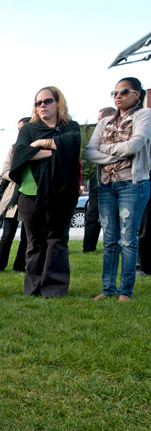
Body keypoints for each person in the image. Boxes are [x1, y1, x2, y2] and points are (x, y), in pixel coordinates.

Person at [10, 86, 81, 298]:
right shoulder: (28, 129)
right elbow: (20, 154)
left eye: (47, 101)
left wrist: (41, 144)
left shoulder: (71, 126)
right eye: (38, 103)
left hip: (62, 192)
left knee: (57, 239)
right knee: (35, 241)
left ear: (58, 102)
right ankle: (33, 288)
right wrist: (54, 150)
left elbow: (72, 144)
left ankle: (54, 289)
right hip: (30, 192)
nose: (42, 106)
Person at [85, 77, 151, 302]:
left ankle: (125, 291)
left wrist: (105, 150)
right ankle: (107, 289)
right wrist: (117, 152)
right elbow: (89, 152)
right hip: (106, 185)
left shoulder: (144, 115)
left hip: (132, 185)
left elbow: (135, 145)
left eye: (124, 91)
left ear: (137, 94)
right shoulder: (105, 122)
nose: (118, 96)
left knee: (128, 239)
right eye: (114, 92)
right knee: (110, 239)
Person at [0, 117, 30, 274]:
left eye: (24, 128)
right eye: (19, 129)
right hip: (13, 197)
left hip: (29, 195)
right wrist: (16, 176)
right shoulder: (14, 148)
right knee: (7, 234)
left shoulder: (37, 147)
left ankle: (20, 266)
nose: (20, 131)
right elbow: (5, 170)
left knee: (26, 237)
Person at [83, 107, 117, 253]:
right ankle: (88, 247)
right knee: (92, 216)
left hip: (114, 178)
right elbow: (90, 154)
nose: (97, 123)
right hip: (97, 179)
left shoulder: (118, 134)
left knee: (113, 216)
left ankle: (114, 245)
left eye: (99, 120)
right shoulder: (98, 136)